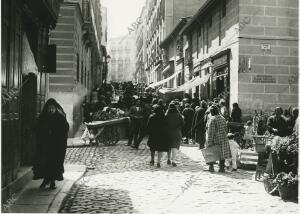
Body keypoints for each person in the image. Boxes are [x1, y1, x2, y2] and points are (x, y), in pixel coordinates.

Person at [33, 98, 69, 189]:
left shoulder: (60, 118)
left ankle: (52, 182)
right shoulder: (42, 118)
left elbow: (65, 130)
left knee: (54, 164)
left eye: (53, 108)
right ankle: (46, 180)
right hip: (45, 146)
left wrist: (56, 134)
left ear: (55, 108)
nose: (51, 110)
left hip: (56, 147)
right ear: (47, 109)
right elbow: (38, 130)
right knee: (45, 163)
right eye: (49, 108)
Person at [206, 105, 231, 172]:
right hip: (223, 138)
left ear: (212, 112)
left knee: (212, 152)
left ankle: (211, 167)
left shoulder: (212, 119)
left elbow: (211, 132)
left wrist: (209, 142)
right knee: (221, 154)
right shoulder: (223, 118)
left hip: (215, 139)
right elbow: (226, 129)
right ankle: (222, 168)